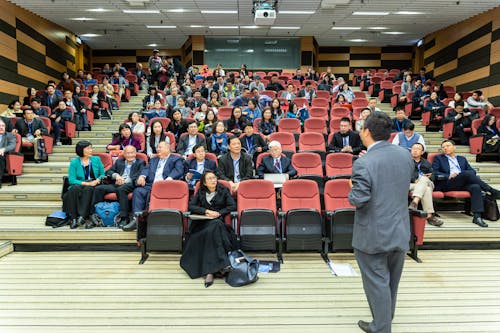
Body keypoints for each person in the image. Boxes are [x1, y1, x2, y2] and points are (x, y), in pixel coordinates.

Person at [348, 111, 414, 333]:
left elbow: (360, 199)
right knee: (391, 282)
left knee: (376, 283)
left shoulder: (364, 162)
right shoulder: (405, 155)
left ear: (366, 132)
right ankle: (385, 319)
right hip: (400, 230)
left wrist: (351, 189)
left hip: (373, 235)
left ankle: (381, 327)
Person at [180, 171, 237, 287]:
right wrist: (206, 211)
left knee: (215, 225)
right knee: (213, 229)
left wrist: (218, 213)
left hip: (218, 223)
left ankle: (209, 272)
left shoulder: (223, 190)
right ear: (205, 183)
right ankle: (223, 265)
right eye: (210, 179)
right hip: (202, 224)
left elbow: (232, 206)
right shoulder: (200, 191)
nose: (213, 180)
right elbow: (191, 206)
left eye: (214, 177)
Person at [432, 139, 500, 227]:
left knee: (475, 187)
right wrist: (448, 175)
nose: (445, 148)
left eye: (447, 146)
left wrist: (462, 175)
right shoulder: (438, 158)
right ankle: (491, 190)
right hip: (448, 183)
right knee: (466, 174)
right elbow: (435, 172)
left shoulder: (462, 159)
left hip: (463, 182)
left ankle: (477, 216)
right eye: (443, 147)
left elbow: (472, 171)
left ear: (454, 147)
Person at [123, 141, 184, 231]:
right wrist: (142, 177)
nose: (157, 149)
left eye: (160, 147)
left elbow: (178, 171)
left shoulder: (176, 159)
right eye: (157, 147)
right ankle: (136, 220)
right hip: (151, 185)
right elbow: (146, 169)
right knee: (138, 191)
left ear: (167, 149)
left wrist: (168, 180)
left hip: (166, 186)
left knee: (151, 194)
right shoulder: (154, 159)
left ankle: (148, 222)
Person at [92, 145, 146, 228]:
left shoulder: (140, 162)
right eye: (127, 153)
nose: (130, 155)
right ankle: (97, 214)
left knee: (121, 189)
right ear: (124, 154)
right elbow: (109, 171)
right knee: (99, 188)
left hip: (131, 184)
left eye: (132, 153)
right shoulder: (119, 161)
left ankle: (124, 217)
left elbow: (139, 175)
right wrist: (116, 175)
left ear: (135, 153)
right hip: (117, 184)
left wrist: (125, 181)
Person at [63, 141, 105, 229]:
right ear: (81, 150)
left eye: (91, 148)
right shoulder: (74, 162)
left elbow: (102, 174)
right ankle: (74, 218)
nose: (91, 150)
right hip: (80, 183)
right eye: (88, 148)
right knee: (74, 189)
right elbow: (71, 180)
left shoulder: (96, 159)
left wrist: (97, 180)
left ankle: (81, 216)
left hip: (93, 183)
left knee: (88, 189)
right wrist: (86, 183)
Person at [408, 143, 444, 226]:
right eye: (413, 149)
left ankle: (415, 201)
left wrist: (430, 177)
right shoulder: (406, 162)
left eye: (418, 149)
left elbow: (433, 175)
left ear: (422, 152)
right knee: (426, 189)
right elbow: (402, 174)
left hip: (426, 183)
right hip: (411, 184)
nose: (415, 150)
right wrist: (414, 179)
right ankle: (429, 216)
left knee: (424, 179)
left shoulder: (426, 163)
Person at [0, 119, 16, 188]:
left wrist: (3, 149)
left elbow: (12, 145)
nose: (1, 127)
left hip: (3, 156)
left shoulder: (9, 135)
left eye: (3, 126)